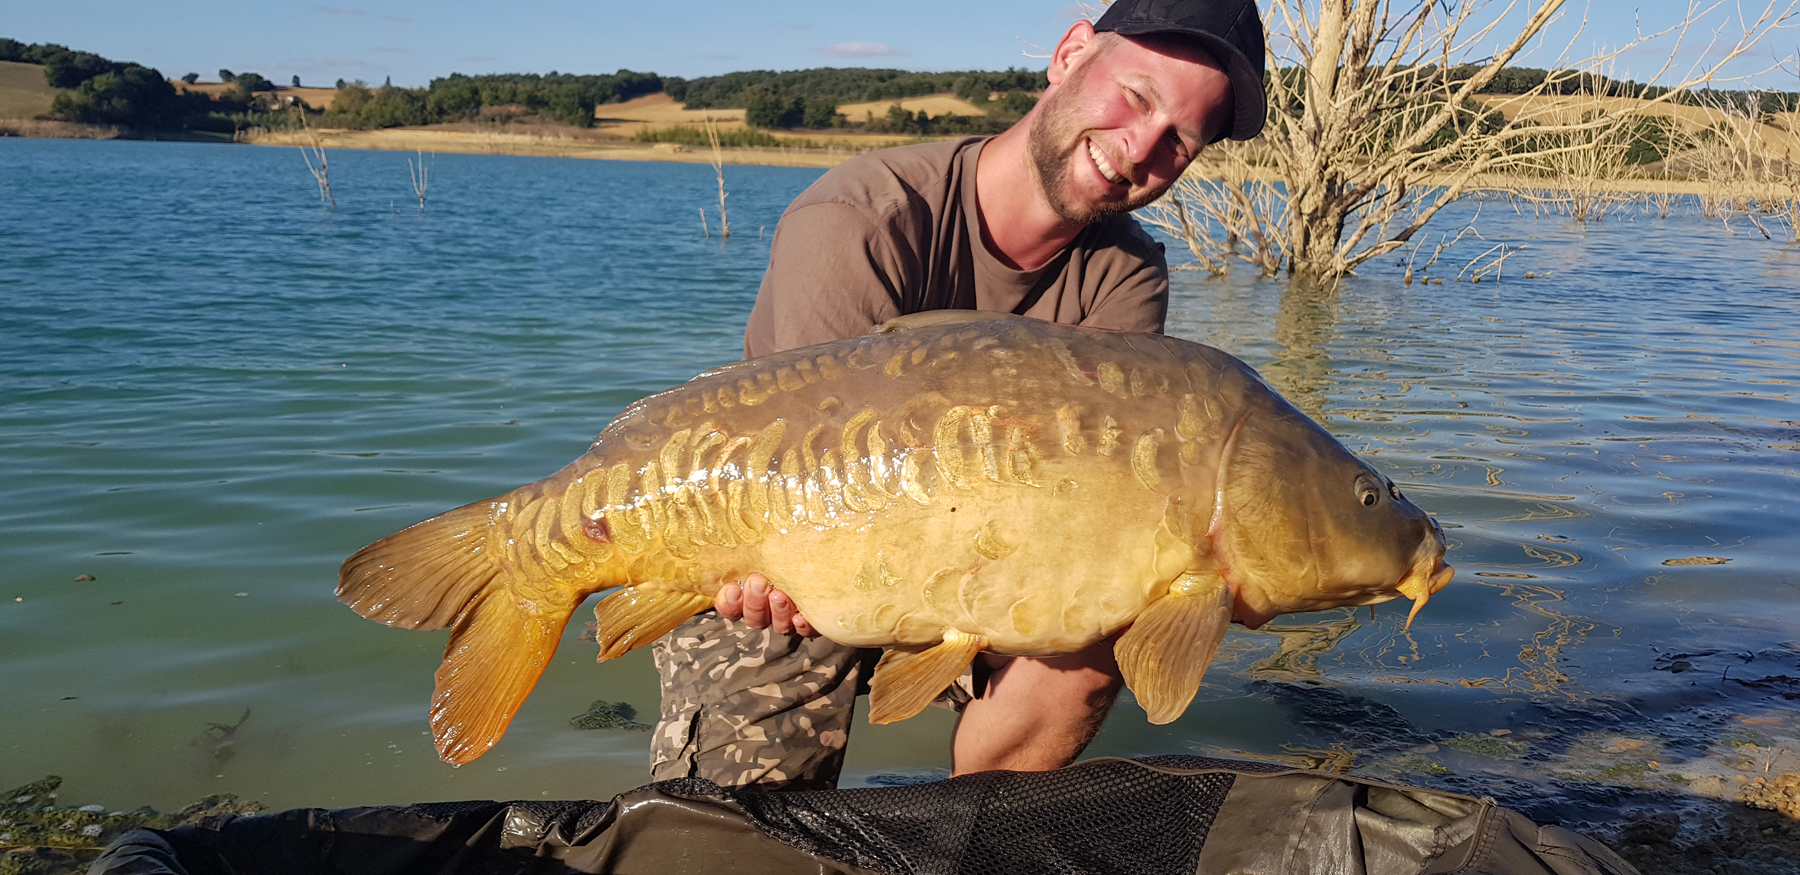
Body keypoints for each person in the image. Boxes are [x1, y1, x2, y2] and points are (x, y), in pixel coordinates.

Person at [649, 0, 1269, 792]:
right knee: (735, 832)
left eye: (1179, 140)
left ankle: (963, 830)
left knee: (1101, 632)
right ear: (1071, 54)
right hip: (796, 566)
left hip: (992, 569)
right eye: (1137, 97)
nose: (1140, 148)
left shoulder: (1125, 275)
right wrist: (760, 565)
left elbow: (1114, 502)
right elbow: (792, 481)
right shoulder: (862, 219)